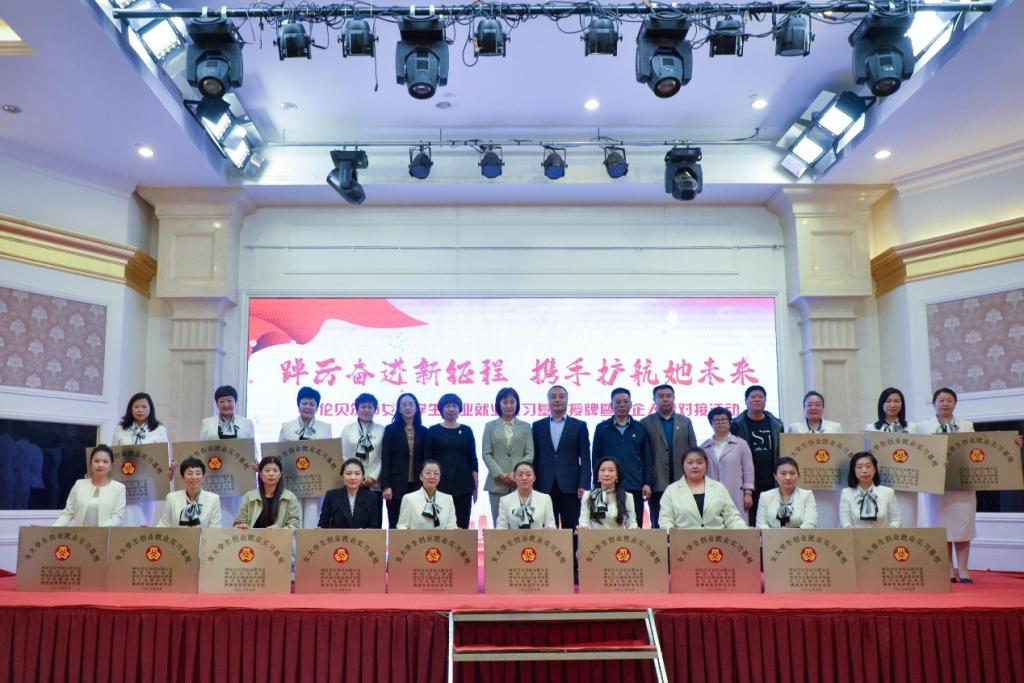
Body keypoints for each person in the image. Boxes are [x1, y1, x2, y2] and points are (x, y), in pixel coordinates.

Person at [917, 387, 1023, 583]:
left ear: (955, 404)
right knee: (942, 529)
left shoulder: (966, 425)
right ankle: (948, 569)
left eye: (950, 400)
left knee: (963, 527)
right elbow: (918, 452)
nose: (945, 403)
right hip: (938, 486)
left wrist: (1011, 443)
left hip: (963, 484)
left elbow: (982, 448)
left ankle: (964, 569)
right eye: (941, 400)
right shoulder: (922, 427)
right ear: (934, 403)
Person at [532, 385, 591, 530]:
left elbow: (585, 459)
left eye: (561, 396)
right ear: (548, 400)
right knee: (547, 530)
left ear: (567, 399)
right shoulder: (538, 426)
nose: (557, 400)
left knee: (571, 529)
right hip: (544, 486)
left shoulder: (579, 425)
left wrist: (584, 484)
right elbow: (534, 458)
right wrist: (534, 485)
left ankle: (572, 547)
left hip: (571, 487)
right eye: (553, 397)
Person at [592, 387, 653, 526]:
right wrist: (597, 483)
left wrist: (647, 483)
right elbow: (596, 458)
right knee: (607, 525)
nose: (622, 405)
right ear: (611, 405)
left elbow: (647, 458)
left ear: (631, 404)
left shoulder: (640, 428)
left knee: (634, 525)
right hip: (608, 486)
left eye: (625, 402)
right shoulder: (602, 428)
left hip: (634, 485)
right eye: (618, 402)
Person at [640, 384, 697, 529]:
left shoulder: (685, 421)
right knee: (658, 523)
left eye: (668, 396)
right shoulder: (645, 423)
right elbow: (642, 455)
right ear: (654, 400)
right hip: (657, 482)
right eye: (661, 396)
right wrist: (646, 482)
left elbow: (694, 451)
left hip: (683, 481)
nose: (665, 399)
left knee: (685, 522)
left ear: (674, 398)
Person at [197, 385, 255, 522]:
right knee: (213, 508)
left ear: (235, 402)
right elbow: (200, 447)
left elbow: (252, 448)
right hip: (214, 473)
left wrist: (255, 463)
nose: (226, 404)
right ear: (217, 404)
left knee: (236, 509)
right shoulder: (207, 423)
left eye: (230, 400)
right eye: (222, 401)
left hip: (239, 474)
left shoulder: (246, 423)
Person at [729, 384, 784, 526]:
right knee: (750, 520)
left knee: (773, 518)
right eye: (753, 397)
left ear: (765, 400)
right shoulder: (736, 425)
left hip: (772, 479)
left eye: (761, 397)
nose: (757, 399)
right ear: (746, 401)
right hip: (748, 481)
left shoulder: (776, 424)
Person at [279, 386, 333, 529]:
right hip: (292, 480)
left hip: (315, 482)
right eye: (304, 403)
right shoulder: (287, 427)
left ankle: (309, 543)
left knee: (313, 517)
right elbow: (279, 454)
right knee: (292, 517)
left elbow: (330, 454)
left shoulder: (326, 428)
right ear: (298, 405)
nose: (308, 407)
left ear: (317, 407)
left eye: (312, 404)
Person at [112, 392, 169, 526]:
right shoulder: (121, 428)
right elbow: (113, 454)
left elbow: (164, 455)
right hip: (124, 478)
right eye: (136, 407)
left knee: (144, 518)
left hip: (147, 480)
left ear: (150, 409)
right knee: (123, 515)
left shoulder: (159, 429)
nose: (140, 410)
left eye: (144, 407)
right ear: (130, 409)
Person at [864, 387, 918, 526]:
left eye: (896, 401)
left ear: (902, 404)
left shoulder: (912, 428)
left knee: (907, 521)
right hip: (881, 482)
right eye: (888, 401)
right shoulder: (871, 428)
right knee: (882, 522)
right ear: (881, 404)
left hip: (906, 482)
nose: (892, 405)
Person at [423, 393, 478, 529]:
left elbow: (473, 460)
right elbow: (427, 460)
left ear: (460, 409)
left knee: (462, 526)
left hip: (464, 486)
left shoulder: (466, 430)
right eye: (447, 406)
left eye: (454, 406)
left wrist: (475, 486)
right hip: (439, 486)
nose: (451, 409)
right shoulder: (433, 430)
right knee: (439, 525)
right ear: (441, 409)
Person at [658, 447, 748, 530]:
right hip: (684, 540)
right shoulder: (671, 490)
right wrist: (670, 532)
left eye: (699, 462)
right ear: (683, 465)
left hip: (715, 540)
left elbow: (732, 517)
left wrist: (745, 532)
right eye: (690, 462)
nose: (695, 466)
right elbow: (665, 519)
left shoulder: (718, 488)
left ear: (706, 465)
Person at [482, 387, 535, 525]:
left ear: (517, 404)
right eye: (505, 402)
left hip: (521, 483)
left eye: (512, 402)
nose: (509, 405)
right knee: (499, 524)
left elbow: (529, 453)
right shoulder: (490, 426)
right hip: (497, 483)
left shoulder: (526, 426)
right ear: (498, 404)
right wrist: (501, 474)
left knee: (521, 524)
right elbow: (486, 453)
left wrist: (515, 474)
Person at [380, 392, 427, 528]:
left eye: (411, 404)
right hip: (396, 485)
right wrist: (386, 486)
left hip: (418, 485)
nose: (407, 407)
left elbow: (426, 460)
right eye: (404, 405)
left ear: (416, 408)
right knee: (396, 523)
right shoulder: (391, 430)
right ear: (399, 409)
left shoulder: (424, 431)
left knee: (417, 523)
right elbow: (386, 458)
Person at [700, 407, 754, 518]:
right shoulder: (704, 447)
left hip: (735, 493)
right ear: (711, 423)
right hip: (711, 494)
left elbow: (748, 470)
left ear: (729, 422)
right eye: (716, 420)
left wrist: (748, 493)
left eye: (724, 419)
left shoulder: (741, 444)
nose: (720, 423)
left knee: (737, 524)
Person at [53, 445, 126, 526]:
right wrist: (52, 529)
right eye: (96, 461)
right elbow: (67, 513)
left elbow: (117, 517)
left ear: (111, 466)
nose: (100, 465)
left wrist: (98, 532)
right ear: (90, 464)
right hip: (80, 533)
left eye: (105, 461)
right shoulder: (79, 484)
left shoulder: (119, 488)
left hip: (105, 533)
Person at [233, 456, 301, 529]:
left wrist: (281, 530)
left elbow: (295, 524)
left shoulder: (290, 497)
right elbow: (237, 524)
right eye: (267, 470)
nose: (271, 474)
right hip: (253, 536)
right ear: (260, 474)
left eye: (275, 470)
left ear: (280, 475)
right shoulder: (249, 497)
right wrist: (241, 526)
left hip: (278, 536)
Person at [839, 451, 901, 528]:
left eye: (868, 466)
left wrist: (886, 532)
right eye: (859, 467)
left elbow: (896, 520)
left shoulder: (888, 492)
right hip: (857, 535)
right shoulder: (846, 493)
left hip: (883, 535)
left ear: (874, 469)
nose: (864, 471)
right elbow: (846, 523)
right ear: (853, 471)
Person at [156, 457, 222, 528]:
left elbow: (215, 528)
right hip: (179, 535)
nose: (194, 477)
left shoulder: (213, 499)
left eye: (198, 473)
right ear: (182, 477)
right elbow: (164, 524)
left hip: (204, 536)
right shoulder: (172, 498)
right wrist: (149, 531)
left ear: (203, 477)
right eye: (190, 474)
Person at [318, 458, 383, 529]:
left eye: (357, 474)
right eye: (348, 473)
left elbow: (374, 527)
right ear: (342, 476)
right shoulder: (331, 496)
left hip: (363, 536)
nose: (353, 477)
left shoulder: (372, 497)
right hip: (338, 536)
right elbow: (323, 526)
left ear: (362, 477)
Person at [755, 457, 818, 529]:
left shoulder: (807, 495)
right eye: (783, 473)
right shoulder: (765, 496)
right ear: (775, 476)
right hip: (771, 535)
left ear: (798, 475)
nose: (788, 477)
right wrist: (776, 534)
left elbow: (810, 523)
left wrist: (789, 534)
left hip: (799, 536)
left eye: (792, 473)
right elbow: (761, 524)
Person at [340, 393, 385, 493]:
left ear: (375, 410)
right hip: (352, 481)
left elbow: (384, 457)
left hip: (374, 483)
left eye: (370, 407)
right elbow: (343, 455)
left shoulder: (382, 430)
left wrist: (373, 476)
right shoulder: (347, 430)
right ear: (357, 409)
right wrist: (355, 475)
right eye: (363, 407)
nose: (366, 410)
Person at [396, 460, 457, 530]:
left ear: (440, 477)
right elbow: (402, 527)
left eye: (436, 473)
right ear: (421, 476)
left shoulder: (448, 499)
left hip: (441, 537)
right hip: (416, 537)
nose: (432, 476)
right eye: (428, 473)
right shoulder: (409, 498)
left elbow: (451, 528)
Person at [579, 456, 638, 529]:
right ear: (597, 475)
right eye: (602, 470)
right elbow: (584, 522)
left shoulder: (627, 497)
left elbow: (632, 524)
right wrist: (582, 528)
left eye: (611, 470)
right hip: (594, 536)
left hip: (617, 536)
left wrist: (634, 528)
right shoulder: (588, 496)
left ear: (617, 476)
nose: (606, 474)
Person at [495, 461, 556, 530]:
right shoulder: (505, 500)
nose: (524, 478)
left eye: (528, 475)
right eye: (520, 475)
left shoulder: (545, 499)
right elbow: (501, 528)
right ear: (514, 478)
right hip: (514, 537)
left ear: (534, 478)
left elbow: (551, 527)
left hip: (538, 537)